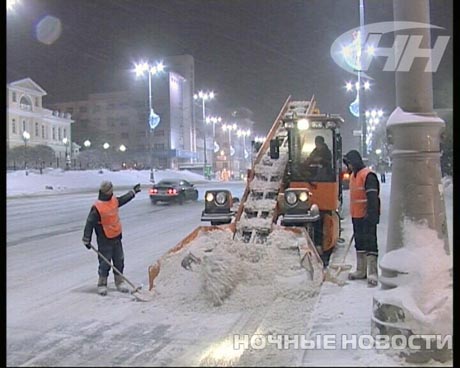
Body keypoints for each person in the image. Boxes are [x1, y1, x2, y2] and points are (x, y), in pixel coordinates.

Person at [82, 180, 141, 295]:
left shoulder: (113, 200)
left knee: (119, 260)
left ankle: (119, 282)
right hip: (104, 239)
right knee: (105, 262)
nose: (112, 192)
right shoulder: (97, 207)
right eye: (110, 190)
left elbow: (123, 199)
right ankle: (102, 283)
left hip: (116, 236)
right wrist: (86, 238)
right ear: (106, 191)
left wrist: (133, 192)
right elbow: (89, 223)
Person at [343, 150, 381, 287]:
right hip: (357, 216)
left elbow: (372, 197)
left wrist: (371, 215)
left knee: (370, 243)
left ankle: (372, 272)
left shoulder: (368, 175)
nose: (349, 166)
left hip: (367, 216)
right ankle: (361, 270)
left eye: (350, 163)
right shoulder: (353, 175)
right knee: (360, 243)